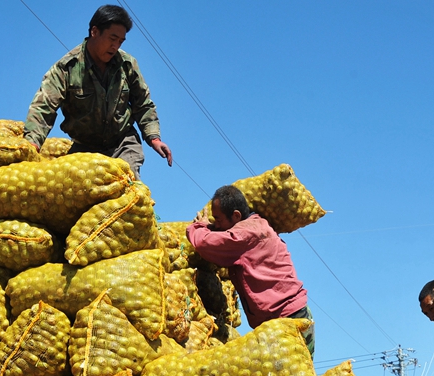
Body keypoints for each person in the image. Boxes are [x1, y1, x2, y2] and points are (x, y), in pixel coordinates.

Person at [23, 4, 172, 179]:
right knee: (73, 193)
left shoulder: (127, 65)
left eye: (120, 41)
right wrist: (32, 144)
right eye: (112, 38)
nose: (115, 46)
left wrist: (153, 138)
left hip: (122, 143)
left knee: (126, 182)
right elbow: (43, 107)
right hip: (85, 148)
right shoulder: (66, 69)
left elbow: (143, 104)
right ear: (94, 31)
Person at [186, 184, 315, 357]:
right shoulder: (259, 225)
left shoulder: (244, 235)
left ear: (236, 216)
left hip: (286, 320)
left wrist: (200, 227)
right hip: (295, 314)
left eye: (218, 219)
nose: (215, 224)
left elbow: (204, 244)